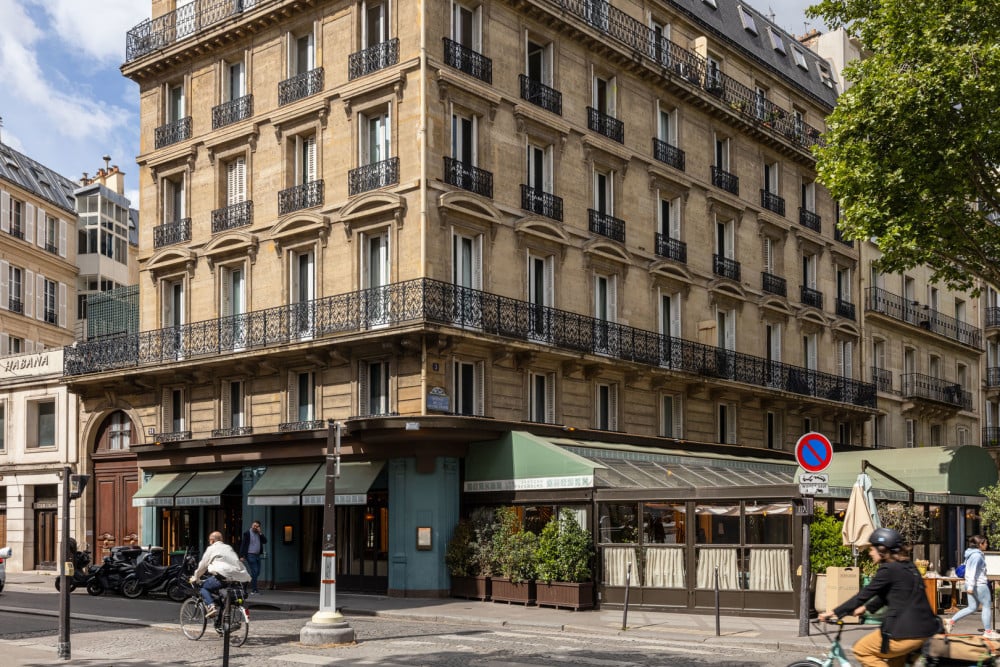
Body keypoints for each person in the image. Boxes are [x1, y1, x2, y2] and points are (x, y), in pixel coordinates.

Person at [818, 528, 939, 667]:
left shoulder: (888, 569)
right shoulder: (908, 566)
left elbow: (863, 595)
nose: (870, 552)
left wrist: (833, 612)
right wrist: (866, 608)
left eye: (872, 548)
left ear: (882, 550)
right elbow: (892, 594)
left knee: (862, 650)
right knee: (894, 663)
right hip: (926, 630)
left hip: (903, 632)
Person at [190, 531, 250, 618]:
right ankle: (221, 623)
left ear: (212, 540)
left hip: (222, 576)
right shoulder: (228, 547)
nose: (209, 542)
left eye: (210, 540)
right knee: (222, 599)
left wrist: (196, 577)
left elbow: (203, 565)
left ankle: (211, 606)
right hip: (237, 578)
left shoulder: (211, 549)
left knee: (203, 587)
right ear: (221, 539)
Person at [945, 534, 995, 637]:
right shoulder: (977, 556)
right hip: (979, 584)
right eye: (985, 543)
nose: (987, 545)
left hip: (971, 584)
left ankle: (950, 621)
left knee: (972, 608)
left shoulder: (970, 554)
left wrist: (970, 586)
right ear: (980, 544)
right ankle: (988, 632)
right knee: (986, 606)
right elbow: (972, 572)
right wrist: (971, 587)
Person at [239, 520, 268, 595]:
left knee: (257, 572)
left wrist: (260, 533)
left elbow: (265, 541)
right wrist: (241, 556)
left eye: (256, 526)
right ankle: (254, 590)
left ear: (259, 527)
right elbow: (243, 544)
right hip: (250, 555)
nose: (255, 527)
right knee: (255, 571)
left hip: (257, 555)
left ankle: (245, 583)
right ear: (252, 525)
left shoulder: (259, 534)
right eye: (254, 525)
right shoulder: (247, 533)